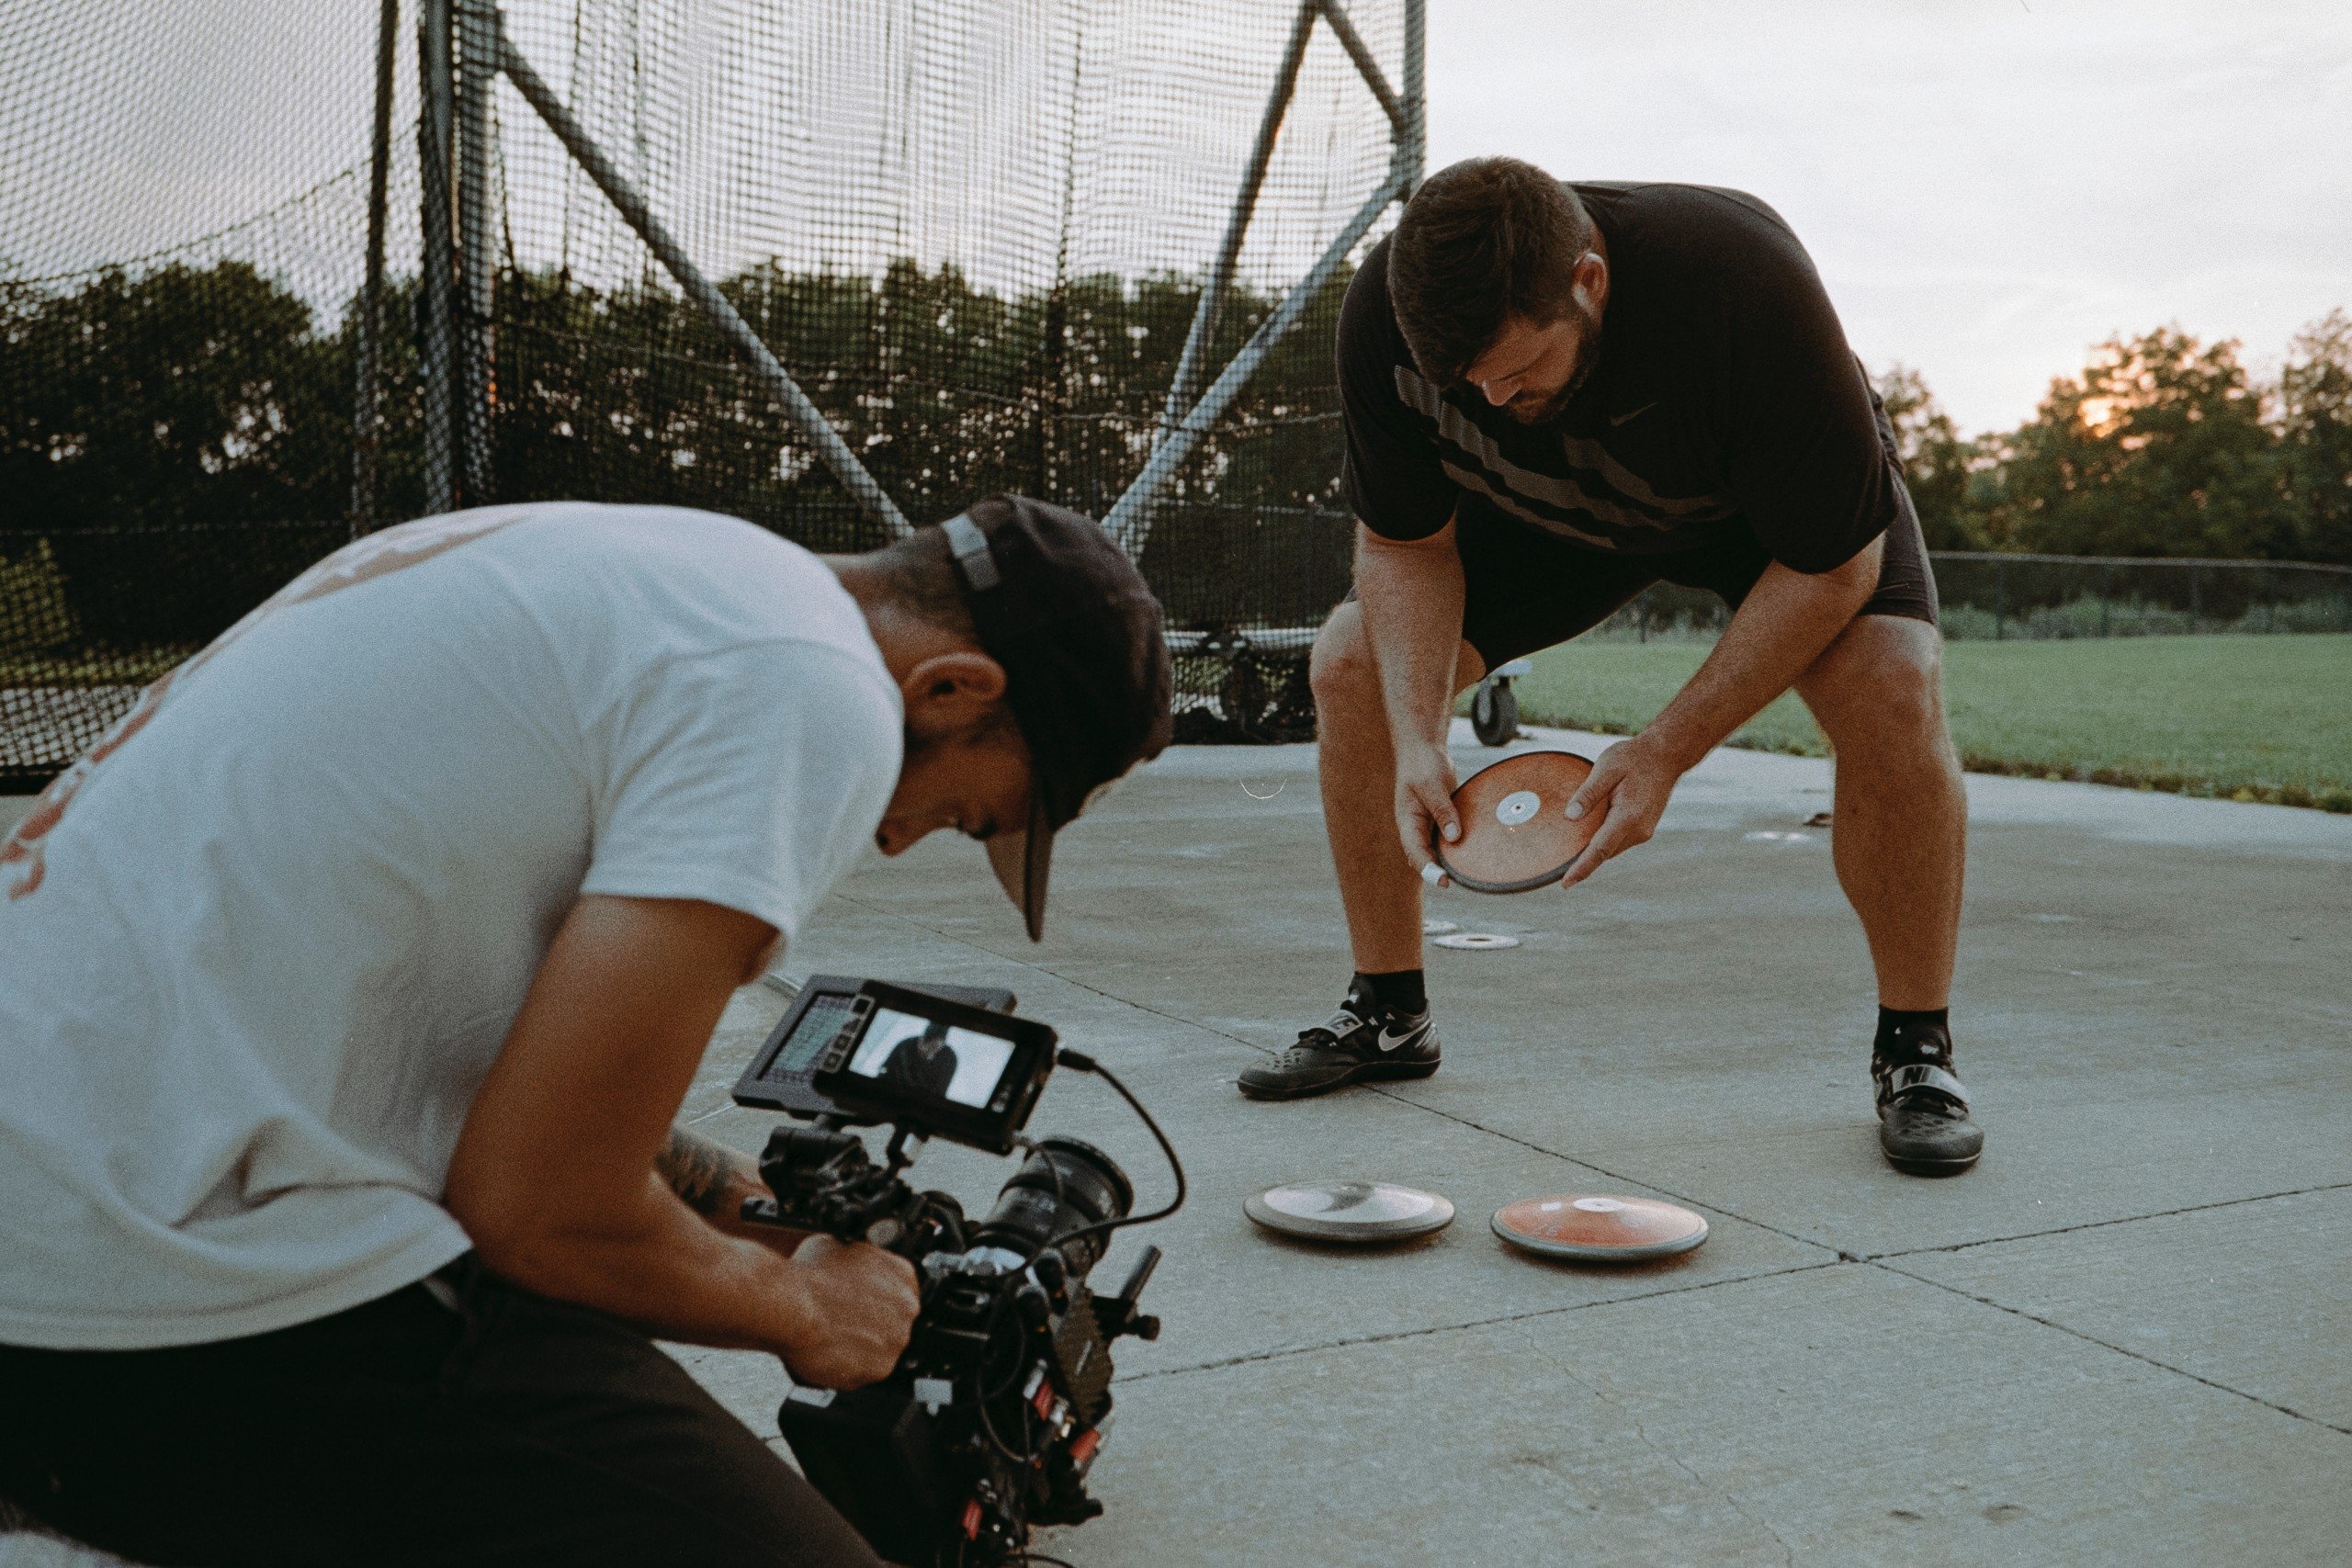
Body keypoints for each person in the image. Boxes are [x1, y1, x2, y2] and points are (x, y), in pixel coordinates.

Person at [0, 493, 1170, 1567]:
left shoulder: (637, 563)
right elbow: (541, 1215)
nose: (901, 838)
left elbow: (509, 1097)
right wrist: (809, 1310)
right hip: (136, 1277)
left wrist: (766, 1220)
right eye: (968, 814)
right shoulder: (814, 687)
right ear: (953, 688)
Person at [1238, 157, 1981, 1179]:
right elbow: (1405, 543)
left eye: (1514, 367)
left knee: (1892, 683)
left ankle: (1916, 1051)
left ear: (1587, 281)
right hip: (1553, 514)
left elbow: (1830, 562)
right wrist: (1417, 737)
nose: (1493, 398)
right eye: (1469, 385)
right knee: (1349, 665)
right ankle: (1388, 1013)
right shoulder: (1387, 318)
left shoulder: (1739, 282)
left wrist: (1665, 749)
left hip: (1757, 519)